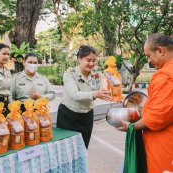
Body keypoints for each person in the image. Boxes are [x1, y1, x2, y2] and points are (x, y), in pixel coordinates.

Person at [118, 33, 173, 173]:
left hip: (164, 143)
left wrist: (131, 127)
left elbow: (156, 118)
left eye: (149, 56)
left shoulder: (165, 76)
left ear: (160, 51)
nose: (148, 61)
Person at [56, 45, 111, 149]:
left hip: (86, 116)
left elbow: (103, 82)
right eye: (88, 60)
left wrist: (104, 90)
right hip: (68, 116)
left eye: (94, 61)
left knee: (83, 148)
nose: (91, 64)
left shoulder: (97, 73)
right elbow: (74, 94)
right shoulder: (69, 74)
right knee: (67, 149)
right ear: (79, 59)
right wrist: (95, 94)